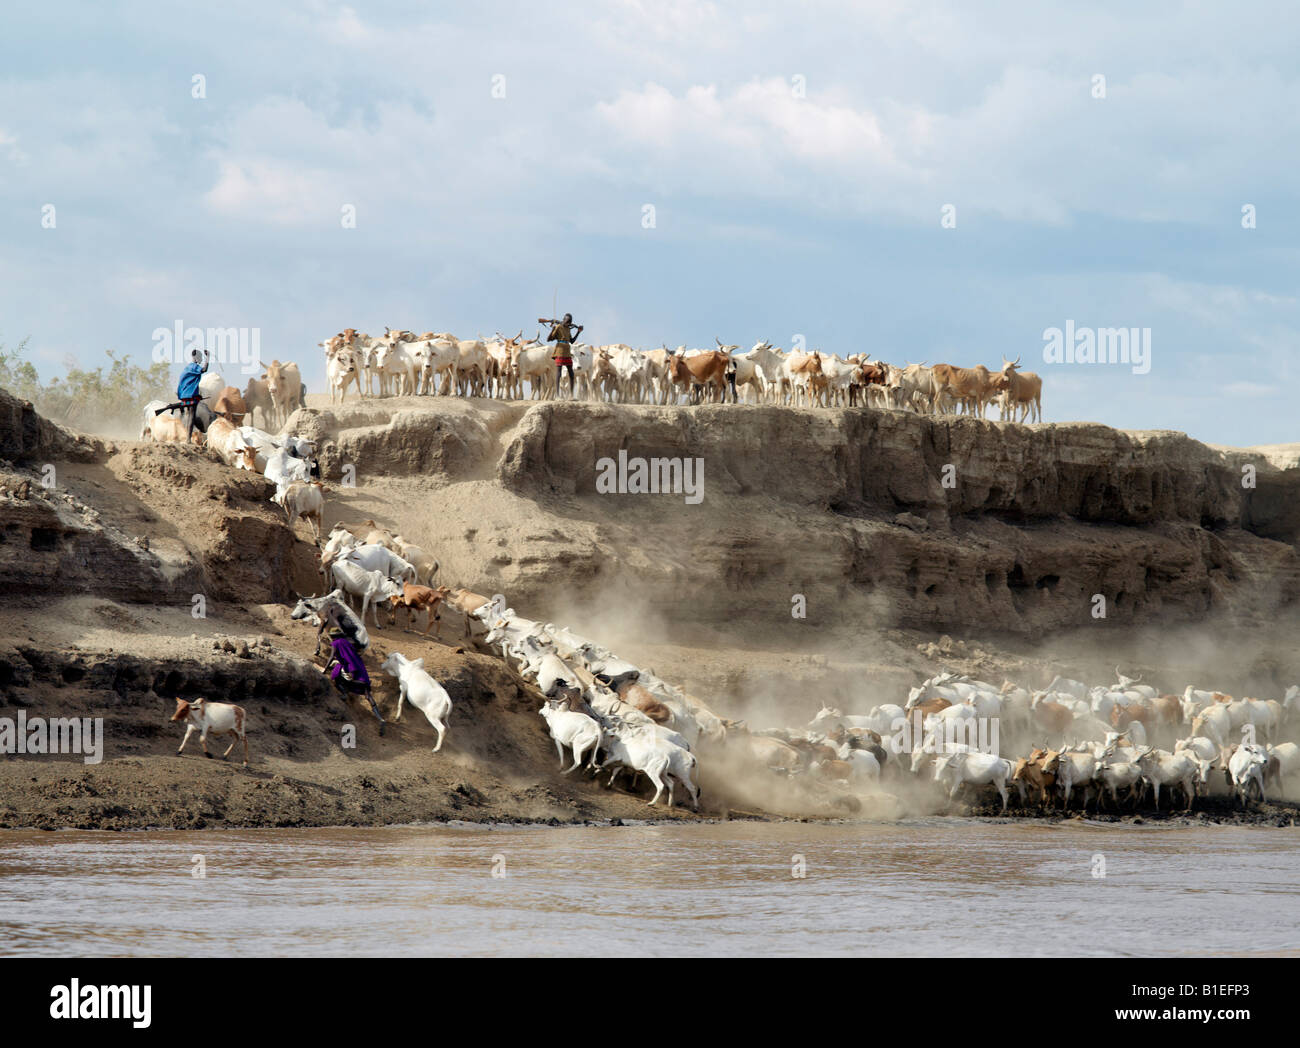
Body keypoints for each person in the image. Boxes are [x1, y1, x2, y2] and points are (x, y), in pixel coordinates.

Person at [322, 628, 386, 734]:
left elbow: (331, 657)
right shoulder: (347, 642)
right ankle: (380, 718)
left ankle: (344, 694)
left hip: (351, 671)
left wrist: (324, 669)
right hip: (361, 671)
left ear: (332, 636)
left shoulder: (335, 643)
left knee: (336, 674)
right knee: (367, 695)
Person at [155, 348, 210, 442]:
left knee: (188, 415)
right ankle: (188, 439)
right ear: (196, 358)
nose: (201, 360)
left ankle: (186, 436)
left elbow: (183, 382)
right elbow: (204, 369)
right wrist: (208, 358)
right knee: (191, 417)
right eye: (200, 358)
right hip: (191, 396)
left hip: (184, 395)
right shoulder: (194, 367)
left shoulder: (187, 368)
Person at [537, 312, 583, 399]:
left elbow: (572, 341)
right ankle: (557, 395)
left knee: (571, 373)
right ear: (564, 320)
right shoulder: (558, 327)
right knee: (559, 373)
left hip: (567, 351)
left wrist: (578, 332)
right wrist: (552, 330)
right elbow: (549, 339)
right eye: (567, 321)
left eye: (569, 322)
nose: (568, 324)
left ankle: (571, 395)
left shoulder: (568, 329)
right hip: (560, 350)